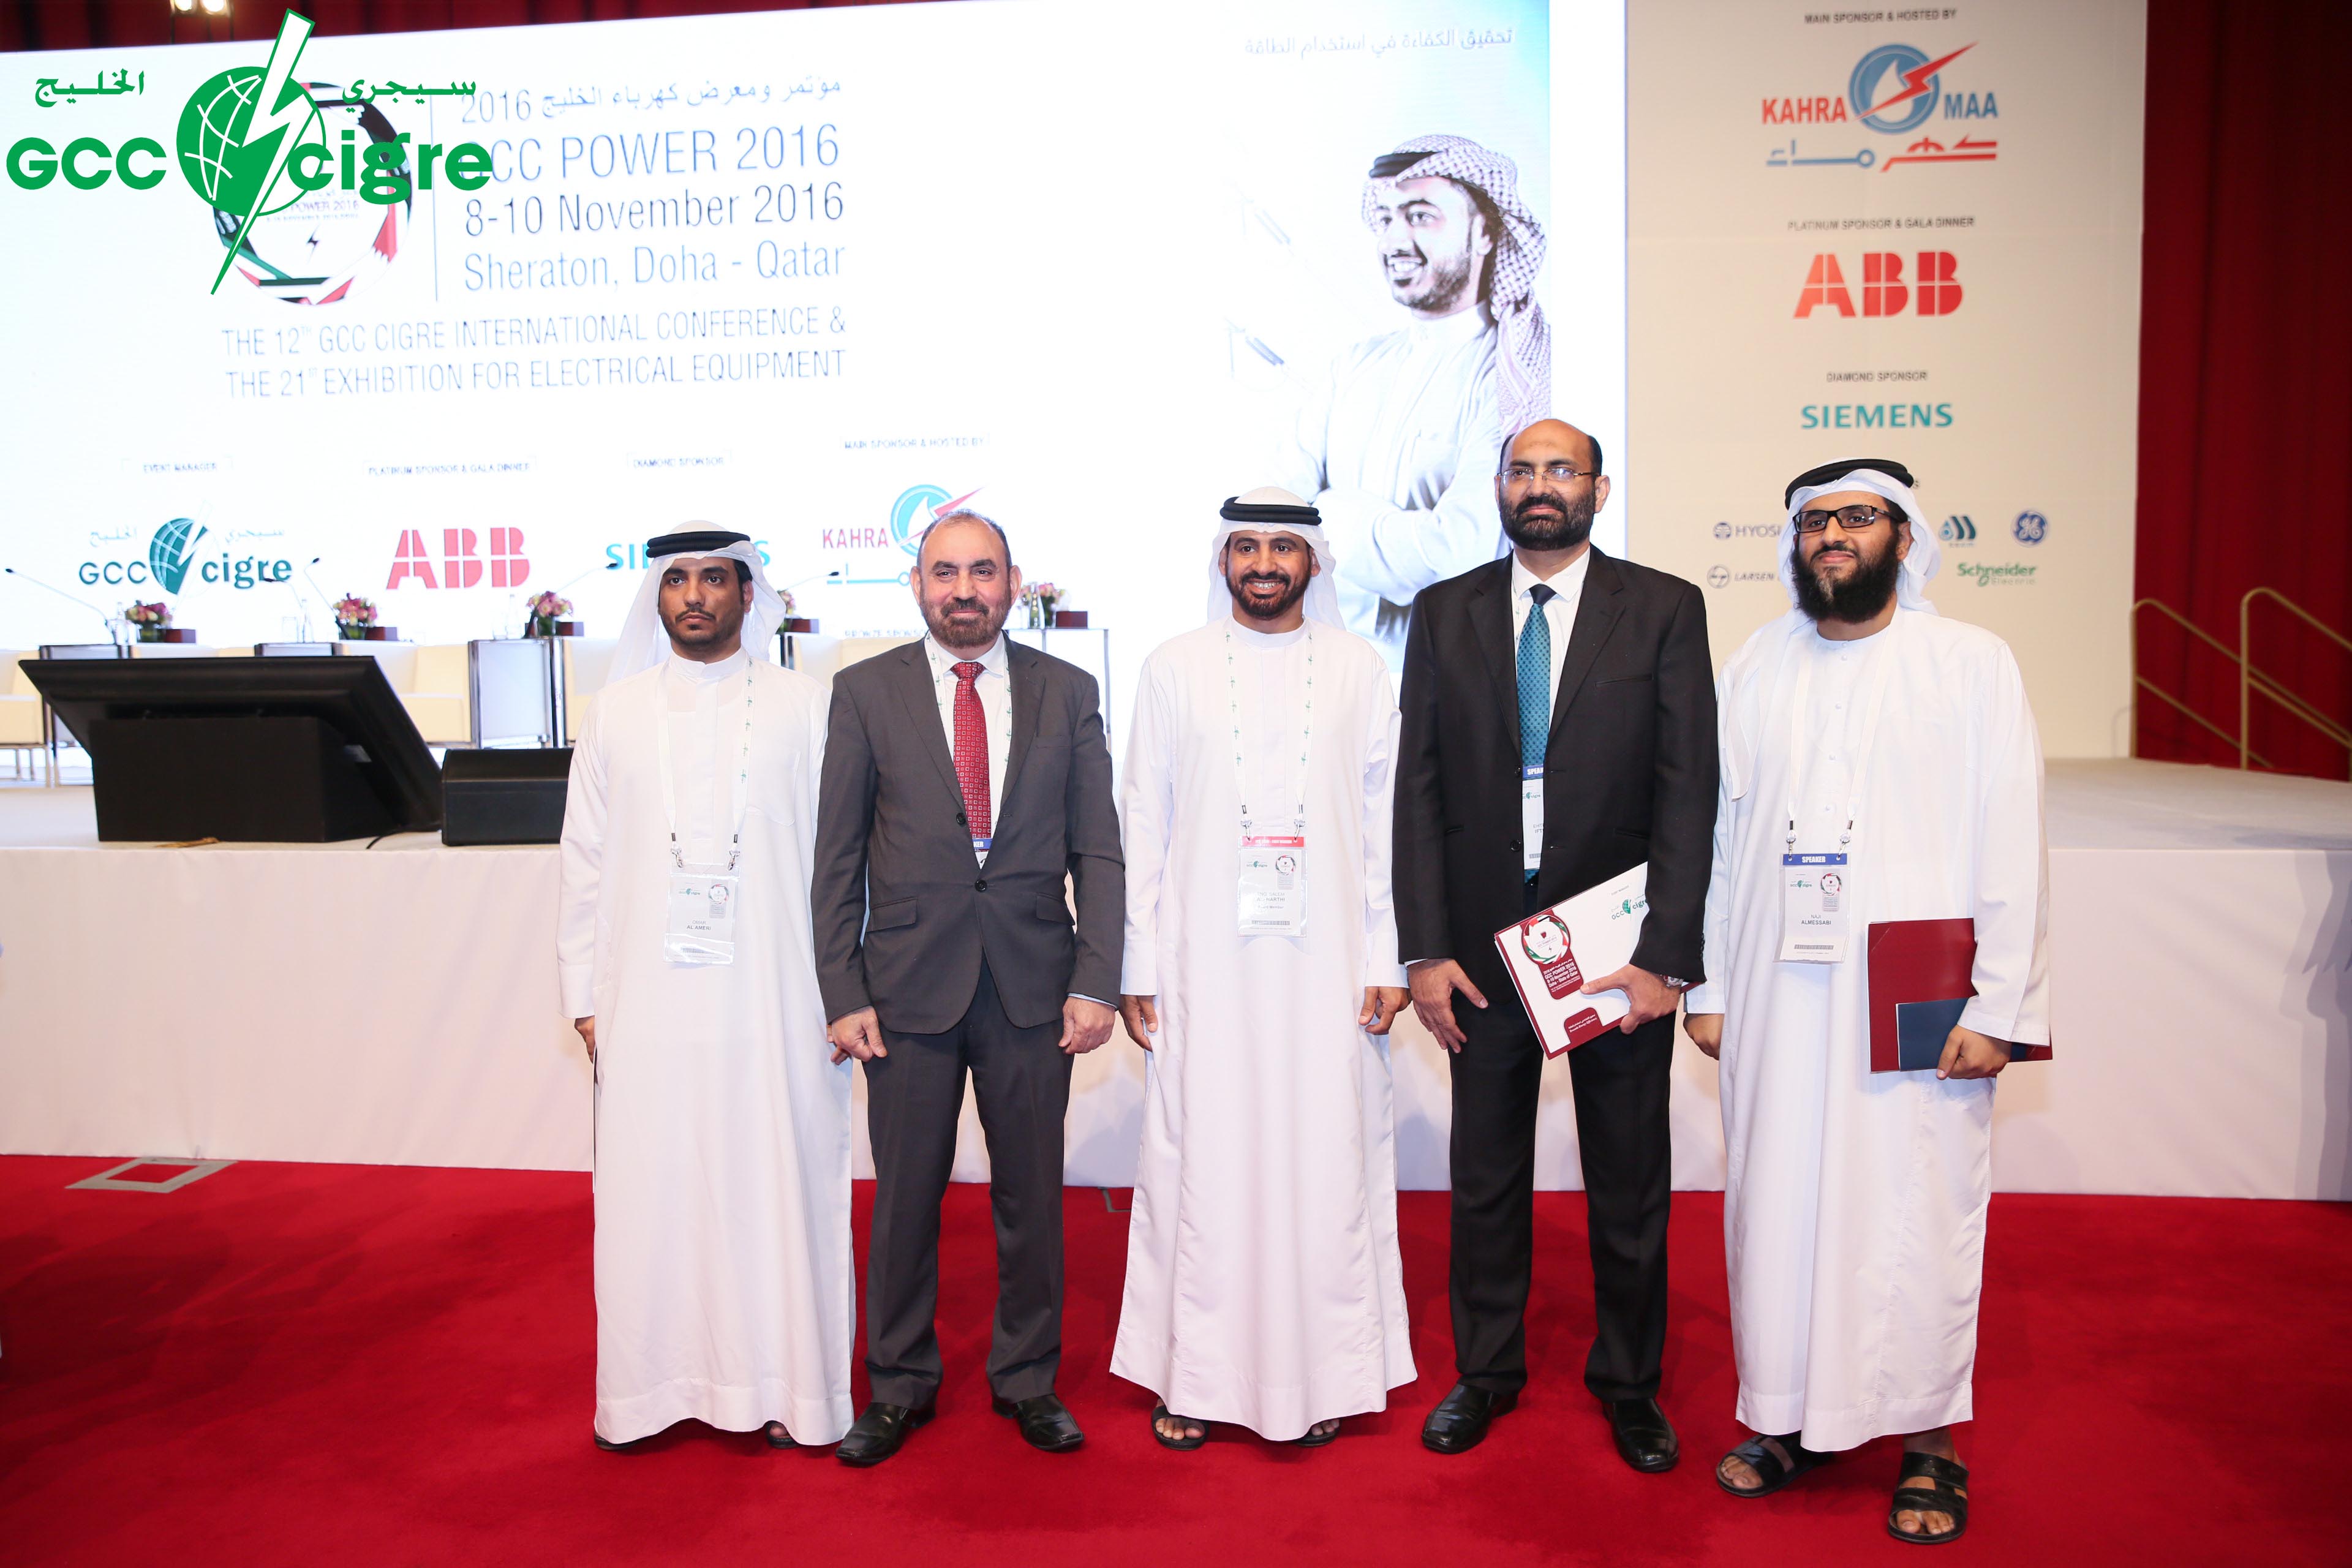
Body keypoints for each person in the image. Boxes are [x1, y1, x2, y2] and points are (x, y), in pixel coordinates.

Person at [1684, 458, 2049, 1545]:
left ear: (1905, 536)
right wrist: (1710, 982)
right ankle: (1787, 1415)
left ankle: (1929, 1439)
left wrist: (2000, 1004)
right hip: (1773, 986)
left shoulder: (1970, 663)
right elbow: (1717, 834)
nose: (1833, 536)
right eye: (1815, 522)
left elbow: (2013, 835)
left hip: (1914, 997)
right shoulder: (1757, 661)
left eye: (1857, 517)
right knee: (1776, 1204)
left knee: (1912, 1207)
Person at [1392, 420, 1717, 1464]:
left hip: (1616, 948)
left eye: (1561, 470)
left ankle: (1630, 1385)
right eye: (1523, 470)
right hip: (1481, 950)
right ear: (1499, 486)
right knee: (1486, 1177)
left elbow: (1689, 791)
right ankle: (1486, 1373)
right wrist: (1424, 949)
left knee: (1629, 1177)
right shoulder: (1443, 612)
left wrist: (1668, 956)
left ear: (1598, 489)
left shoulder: (1664, 608)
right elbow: (1418, 790)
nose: (1540, 486)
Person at [811, 510, 1124, 1466]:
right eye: (944, 572)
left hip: (1034, 986)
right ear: (916, 585)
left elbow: (1098, 850)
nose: (964, 590)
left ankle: (1028, 1379)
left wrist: (1098, 980)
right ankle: (897, 1384)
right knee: (905, 1198)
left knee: (1032, 1197)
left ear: (1013, 582)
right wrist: (843, 990)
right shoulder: (864, 692)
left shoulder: (1069, 691)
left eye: (982, 571)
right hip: (905, 990)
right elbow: (837, 858)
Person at [1111, 489, 1415, 1450]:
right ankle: (1195, 1378)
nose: (1265, 564)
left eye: (1285, 547)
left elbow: (1386, 830)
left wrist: (1387, 956)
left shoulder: (1362, 669)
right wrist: (1138, 964)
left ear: (1314, 562)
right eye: (1246, 546)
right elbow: (1143, 823)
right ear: (1223, 560)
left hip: (1331, 972)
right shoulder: (1172, 668)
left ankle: (1323, 1377)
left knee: (1324, 1164)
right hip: (1203, 968)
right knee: (1205, 1164)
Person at [557, 527, 852, 1453]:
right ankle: (652, 1392)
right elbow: (584, 861)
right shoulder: (614, 712)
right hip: (647, 1003)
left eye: (714, 579)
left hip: (778, 1001)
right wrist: (585, 996)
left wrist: (845, 990)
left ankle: (788, 1387)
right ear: (657, 595)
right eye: (677, 580)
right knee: (654, 1190)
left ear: (746, 593)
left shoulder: (808, 707)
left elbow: (841, 862)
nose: (694, 596)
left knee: (776, 1187)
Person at [1276, 134, 1551, 669]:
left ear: (1485, 232)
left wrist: (1326, 515)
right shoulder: (1353, 367)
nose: (1395, 240)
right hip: (1322, 676)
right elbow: (1274, 524)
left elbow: (1457, 557)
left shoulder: (1513, 377)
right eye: (1385, 219)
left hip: (1452, 685)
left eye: (1421, 216)